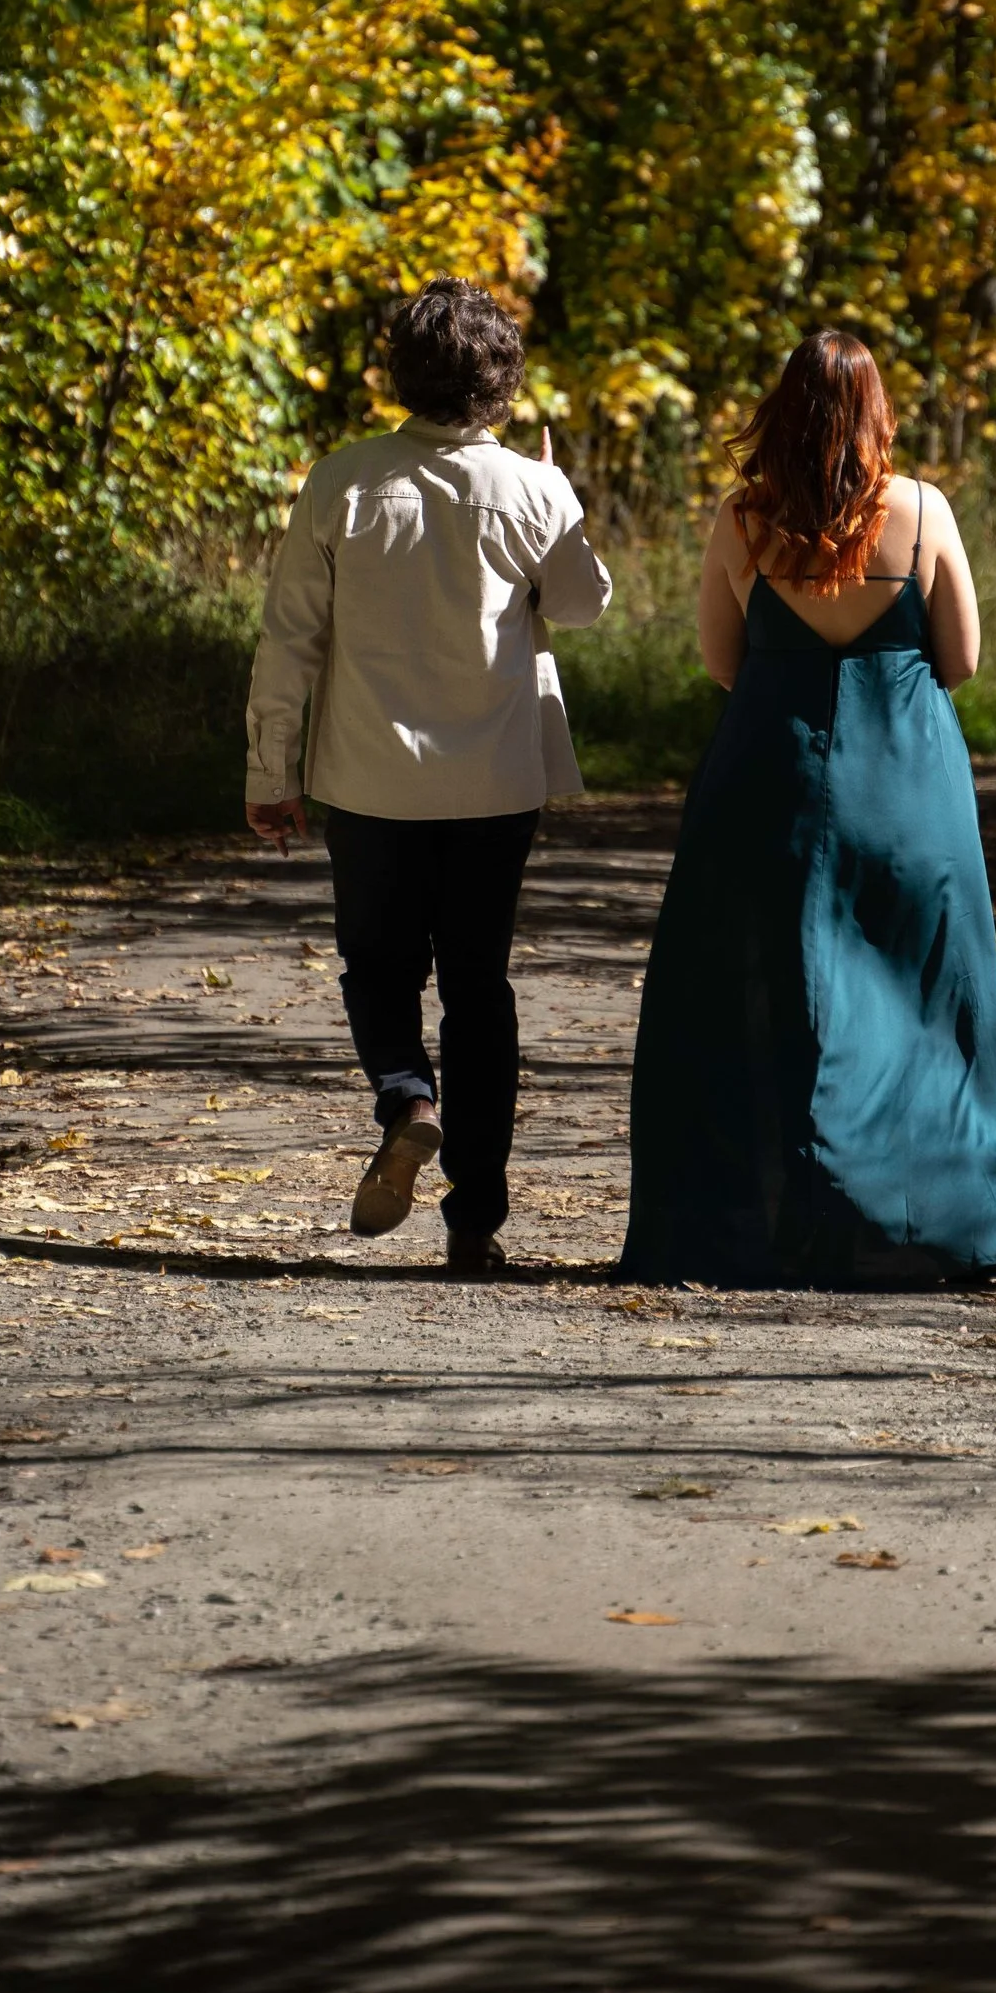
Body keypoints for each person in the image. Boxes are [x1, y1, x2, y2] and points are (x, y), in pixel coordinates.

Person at [621, 328, 996, 1291]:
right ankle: (949, 1226)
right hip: (906, 777)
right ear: (875, 414)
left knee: (760, 996)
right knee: (929, 998)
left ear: (785, 413)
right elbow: (965, 658)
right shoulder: (924, 510)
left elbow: (721, 664)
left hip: (770, 771)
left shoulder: (742, 522)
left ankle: (755, 1228)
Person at [245, 277, 612, 1275]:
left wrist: (271, 769)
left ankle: (408, 1099)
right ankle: (473, 1221)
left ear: (400, 375)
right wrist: (554, 494)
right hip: (497, 779)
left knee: (376, 964)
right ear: (500, 382)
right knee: (479, 986)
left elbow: (290, 640)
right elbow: (578, 607)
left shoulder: (342, 481)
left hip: (369, 778)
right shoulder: (534, 490)